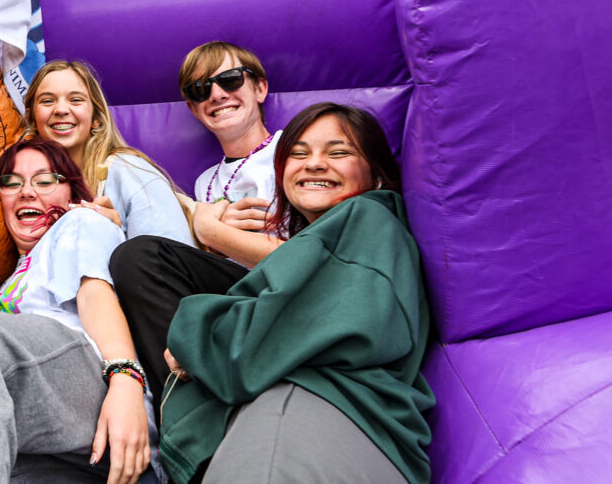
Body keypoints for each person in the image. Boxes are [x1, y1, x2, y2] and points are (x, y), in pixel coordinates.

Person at [160, 103, 434, 484]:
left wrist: (194, 339)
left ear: (375, 174)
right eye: (298, 154)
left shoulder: (366, 219)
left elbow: (257, 346)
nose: (314, 164)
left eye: (338, 152)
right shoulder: (338, 237)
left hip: (310, 421)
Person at [0, 137, 156, 484]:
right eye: (11, 182)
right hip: (57, 454)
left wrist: (125, 378)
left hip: (97, 388)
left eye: (44, 180)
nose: (26, 191)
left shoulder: (80, 222)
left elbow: (93, 292)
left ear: (71, 194)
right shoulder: (13, 276)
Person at [111, 42, 282, 402]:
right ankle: (181, 401)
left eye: (231, 80)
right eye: (200, 89)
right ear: (193, 107)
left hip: (279, 294)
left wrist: (212, 231)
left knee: (140, 255)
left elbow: (307, 259)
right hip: (227, 301)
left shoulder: (289, 153)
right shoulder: (206, 182)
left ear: (260, 88)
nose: (217, 94)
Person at [0, 59, 192, 244]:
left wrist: (112, 235)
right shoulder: (25, 182)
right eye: (48, 101)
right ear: (32, 118)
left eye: (75, 100)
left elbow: (170, 257)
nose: (61, 110)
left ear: (96, 118)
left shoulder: (126, 170)